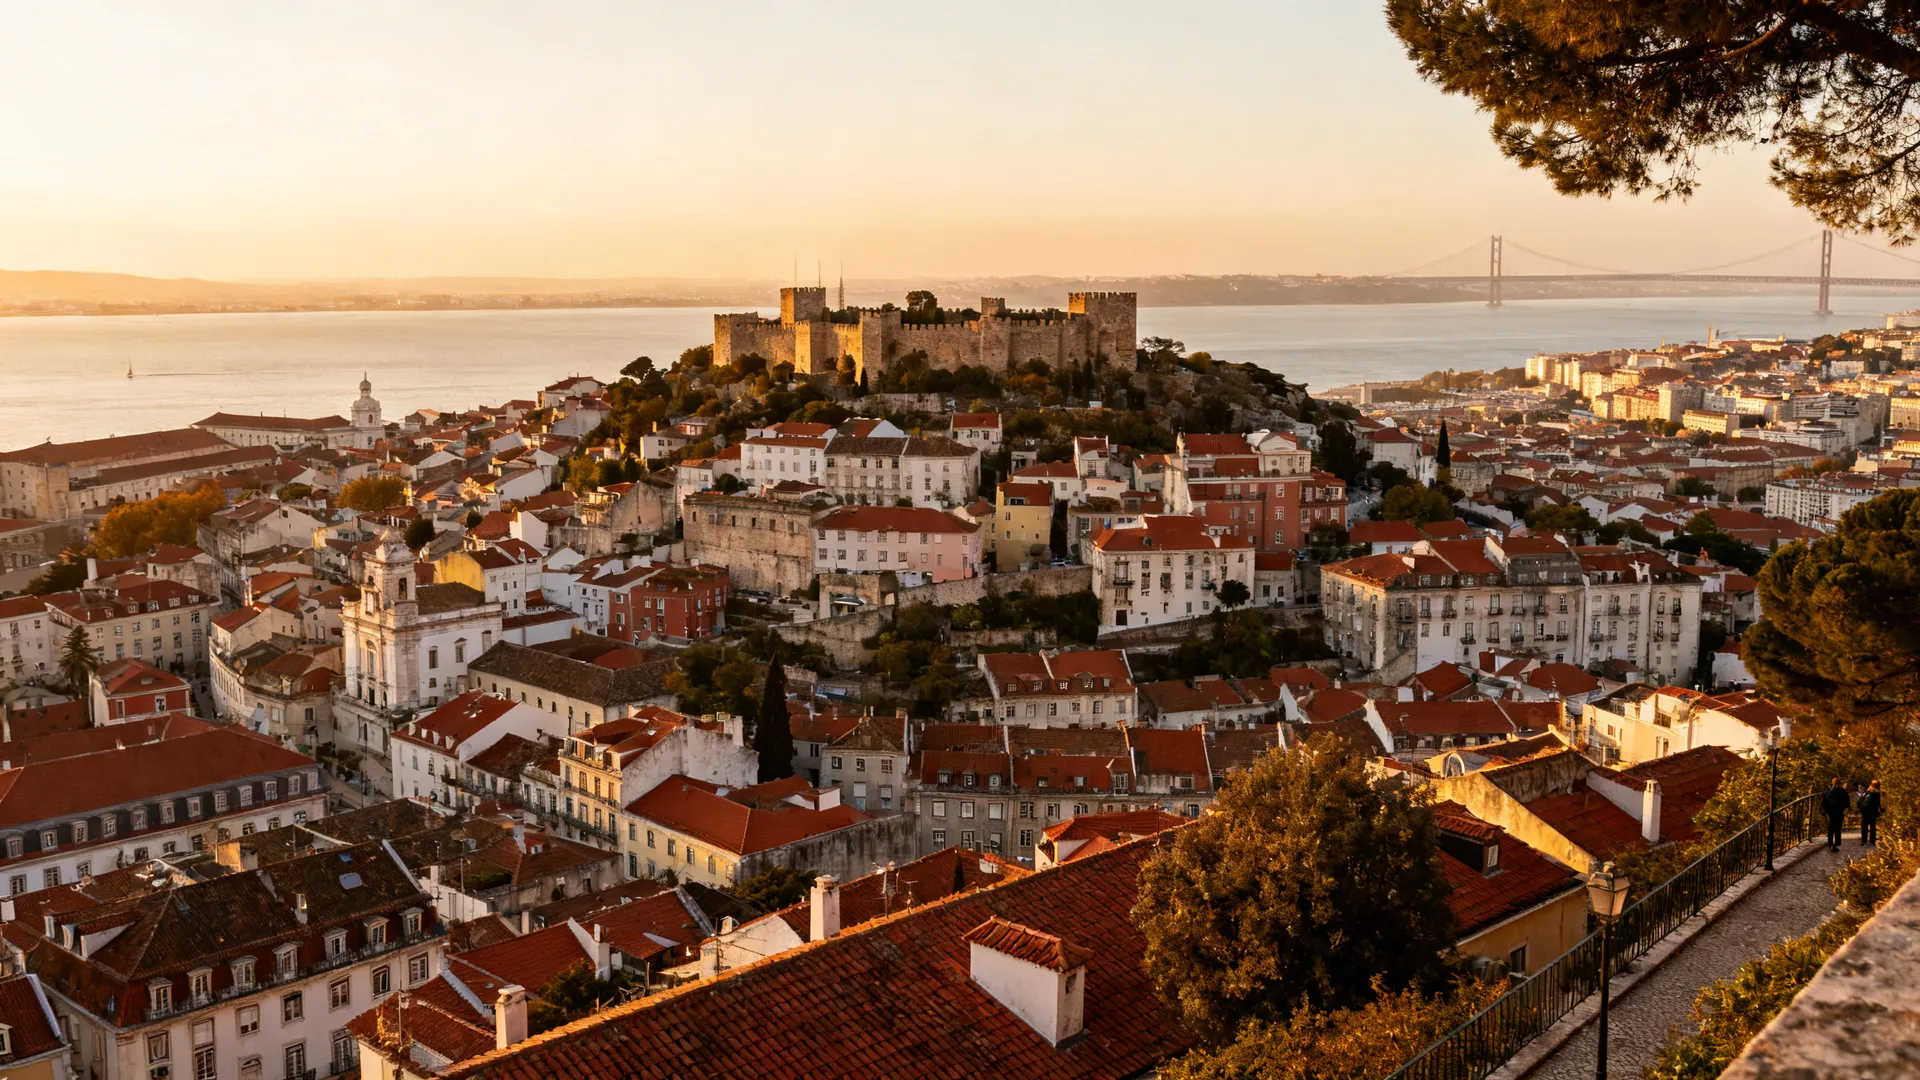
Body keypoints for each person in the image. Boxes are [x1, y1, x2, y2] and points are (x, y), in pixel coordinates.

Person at [1822, 777, 1851, 852]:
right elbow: (1847, 801)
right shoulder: (1842, 791)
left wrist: (1825, 809)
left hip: (1830, 812)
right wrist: (1845, 808)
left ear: (1833, 783)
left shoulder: (1828, 790)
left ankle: (1830, 843)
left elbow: (1824, 800)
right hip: (1839, 811)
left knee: (1830, 828)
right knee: (1838, 828)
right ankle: (1837, 843)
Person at [1860, 780, 1882, 847]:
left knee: (1864, 826)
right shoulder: (1877, 793)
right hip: (1873, 812)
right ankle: (1872, 841)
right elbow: (1878, 803)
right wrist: (1880, 810)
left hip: (1865, 811)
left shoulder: (1867, 791)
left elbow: (1861, 800)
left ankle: (1864, 841)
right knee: (1872, 827)